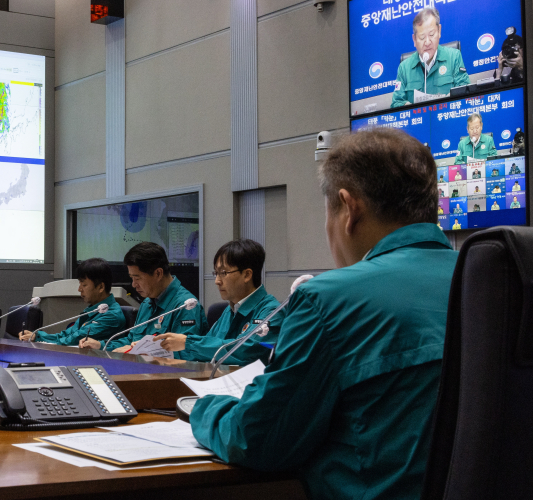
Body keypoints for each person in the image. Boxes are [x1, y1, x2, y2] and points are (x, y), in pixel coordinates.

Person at [189, 129, 459, 500]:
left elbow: (259, 440)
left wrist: (204, 410)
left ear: (348, 208)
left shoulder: (329, 298)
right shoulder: (496, 282)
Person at [153, 239, 282, 365]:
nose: (217, 281)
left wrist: (188, 343)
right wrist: (159, 351)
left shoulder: (272, 311)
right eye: (216, 273)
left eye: (223, 273)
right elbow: (205, 351)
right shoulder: (229, 310)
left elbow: (245, 351)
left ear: (247, 275)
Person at [79, 242, 208, 352]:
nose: (134, 284)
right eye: (132, 278)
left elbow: (185, 352)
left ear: (158, 273)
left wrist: (139, 351)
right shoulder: (147, 303)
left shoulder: (185, 306)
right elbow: (132, 340)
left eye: (137, 278)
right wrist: (101, 345)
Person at [20, 258, 126, 345]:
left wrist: (40, 339)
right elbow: (66, 335)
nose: (79, 289)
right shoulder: (92, 310)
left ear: (101, 287)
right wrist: (37, 336)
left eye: (84, 285)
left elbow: (72, 340)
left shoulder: (112, 316)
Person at [391, 7, 469, 108]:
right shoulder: (404, 68)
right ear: (414, 40)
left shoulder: (454, 57)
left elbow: (465, 92)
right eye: (422, 37)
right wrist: (414, 110)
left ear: (439, 31)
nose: (427, 42)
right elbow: (396, 103)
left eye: (431, 34)